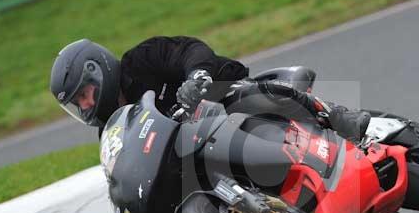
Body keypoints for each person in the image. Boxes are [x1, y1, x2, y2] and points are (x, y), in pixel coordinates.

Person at [50, 36, 371, 141]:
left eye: (84, 93)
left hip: (223, 95)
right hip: (203, 144)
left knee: (236, 95)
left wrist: (197, 78)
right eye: (78, 103)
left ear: (99, 72)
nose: (87, 104)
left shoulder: (141, 60)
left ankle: (336, 115)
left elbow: (189, 50)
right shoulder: (115, 130)